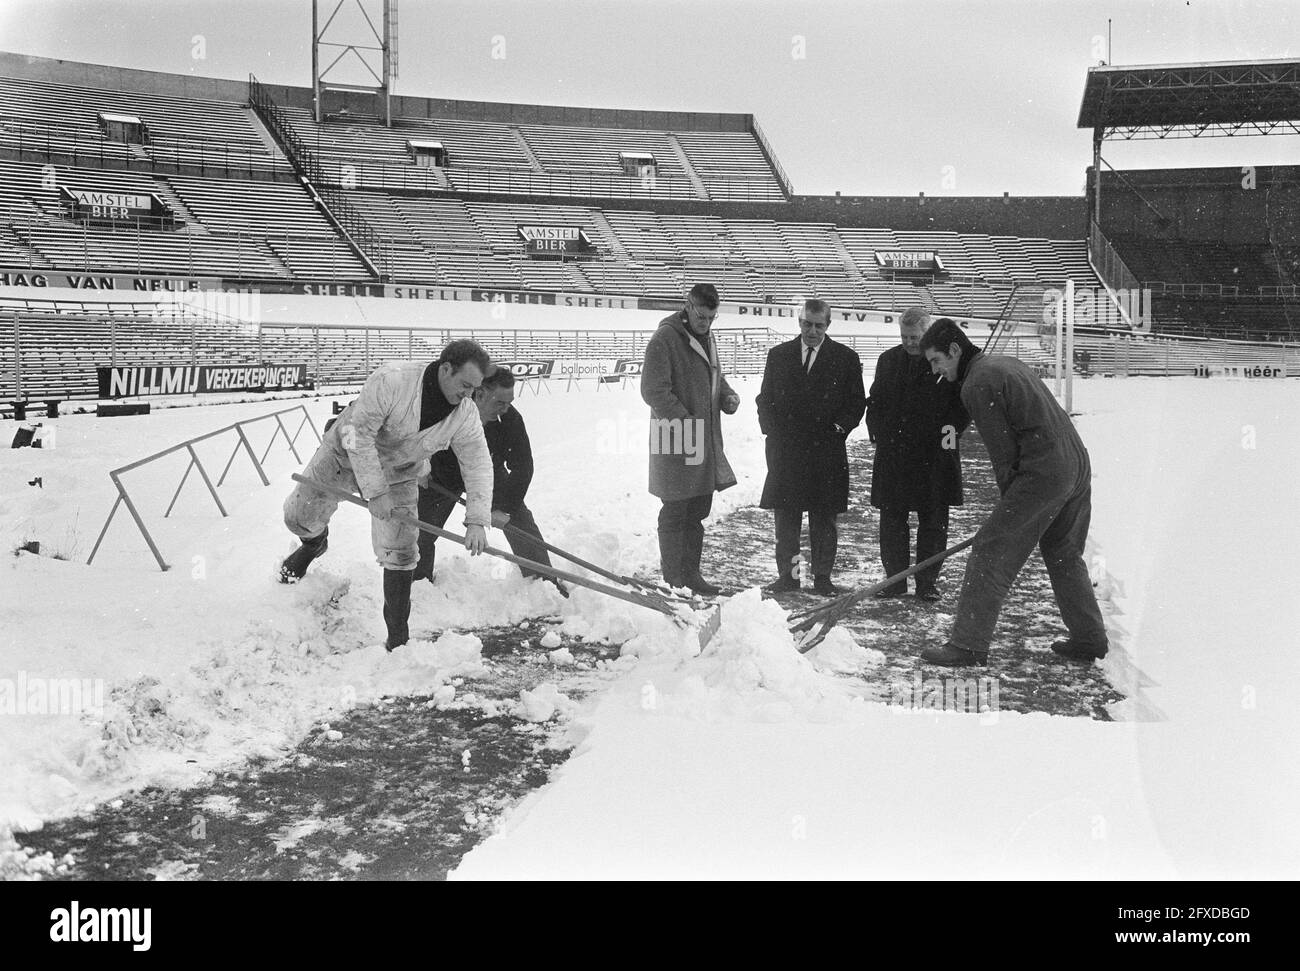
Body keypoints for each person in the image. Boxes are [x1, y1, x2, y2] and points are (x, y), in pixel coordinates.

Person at [280, 339, 494, 651]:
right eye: (465, 384)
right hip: (343, 452)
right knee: (298, 518)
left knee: (402, 550)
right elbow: (358, 434)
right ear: (446, 369)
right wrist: (374, 491)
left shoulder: (465, 414)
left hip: (399, 471)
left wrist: (477, 519)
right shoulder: (392, 380)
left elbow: (477, 464)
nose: (469, 394)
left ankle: (398, 640)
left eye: (474, 388)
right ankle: (314, 544)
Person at [918, 318, 1109, 666]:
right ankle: (1089, 638)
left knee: (990, 548)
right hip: (1076, 462)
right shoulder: (1003, 363)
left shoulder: (976, 383)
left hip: (1045, 470)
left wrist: (1010, 513)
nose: (936, 370)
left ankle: (968, 645)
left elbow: (1004, 456)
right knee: (1064, 552)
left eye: (936, 360)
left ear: (956, 350)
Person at [413, 366, 564, 594]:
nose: (505, 408)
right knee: (421, 526)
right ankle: (417, 583)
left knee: (520, 520)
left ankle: (543, 583)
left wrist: (505, 508)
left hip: (489, 474)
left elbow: (523, 466)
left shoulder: (509, 419)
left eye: (509, 402)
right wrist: (421, 467)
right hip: (444, 475)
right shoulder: (451, 409)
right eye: (500, 402)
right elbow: (419, 438)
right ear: (480, 394)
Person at [756, 298, 866, 595]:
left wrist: (837, 430)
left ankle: (822, 578)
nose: (812, 331)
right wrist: (772, 432)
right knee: (787, 521)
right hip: (787, 451)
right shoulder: (779, 355)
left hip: (825, 450)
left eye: (819, 325)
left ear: (828, 325)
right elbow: (765, 399)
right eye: (807, 324)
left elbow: (856, 402)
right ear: (799, 323)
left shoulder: (845, 358)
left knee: (823, 519)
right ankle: (789, 578)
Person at [640, 282, 740, 595]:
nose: (706, 323)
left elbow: (713, 375)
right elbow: (653, 390)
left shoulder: (706, 337)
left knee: (697, 510)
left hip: (702, 440)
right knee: (675, 510)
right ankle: (674, 580)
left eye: (711, 318)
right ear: (687, 304)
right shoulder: (665, 338)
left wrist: (726, 394)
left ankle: (691, 574)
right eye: (701, 316)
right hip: (674, 440)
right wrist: (685, 421)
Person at [865, 308, 969, 600]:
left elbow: (960, 408)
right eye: (905, 336)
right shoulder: (888, 361)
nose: (910, 343)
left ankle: (927, 583)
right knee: (892, 521)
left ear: (928, 334)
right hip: (894, 454)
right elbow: (876, 400)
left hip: (934, 456)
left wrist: (949, 439)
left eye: (916, 337)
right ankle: (895, 581)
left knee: (933, 523)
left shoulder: (943, 361)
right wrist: (878, 433)